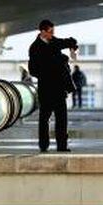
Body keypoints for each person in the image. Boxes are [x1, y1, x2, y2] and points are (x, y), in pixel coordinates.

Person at [28, 19, 78, 152]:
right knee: (44, 119)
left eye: (53, 31)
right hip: (45, 88)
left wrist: (73, 48)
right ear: (42, 32)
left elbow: (69, 41)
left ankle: (62, 146)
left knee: (62, 118)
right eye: (50, 32)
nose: (52, 34)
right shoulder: (34, 48)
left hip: (59, 88)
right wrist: (48, 70)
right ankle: (43, 145)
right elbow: (33, 70)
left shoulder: (54, 41)